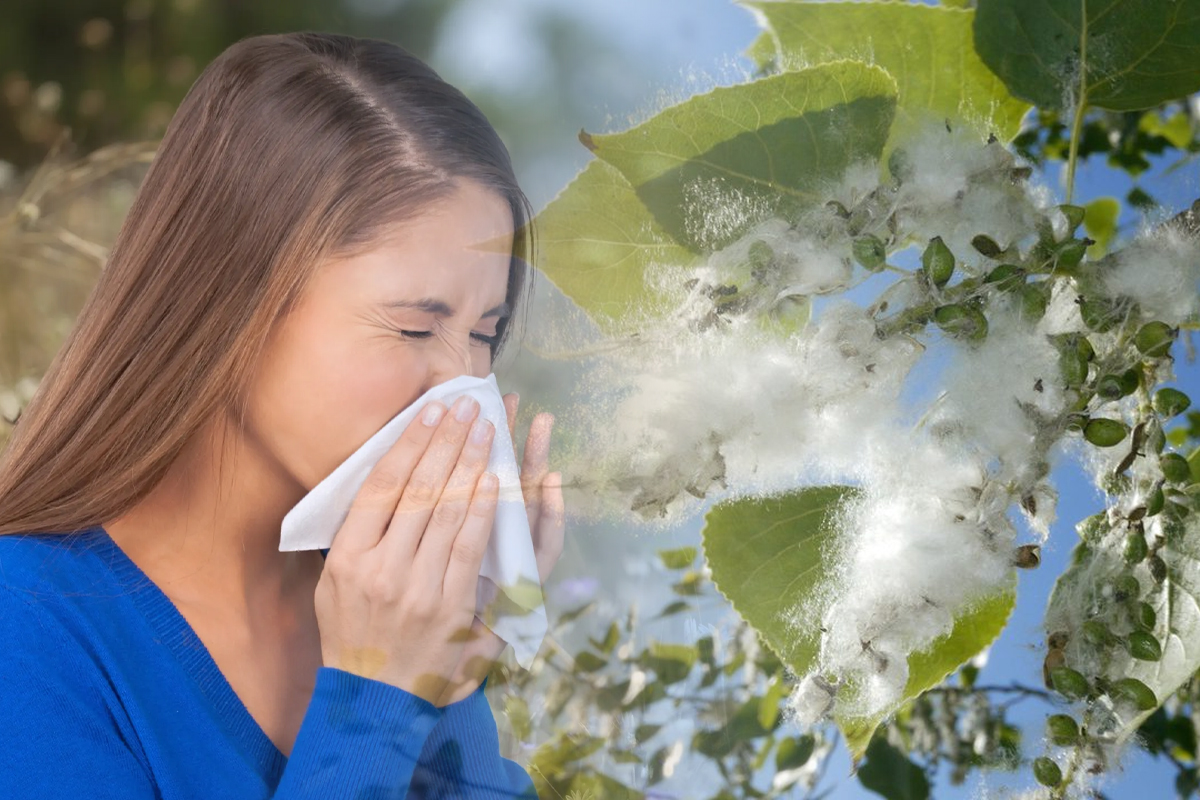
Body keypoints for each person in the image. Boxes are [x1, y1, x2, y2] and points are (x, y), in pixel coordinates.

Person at [0, 31, 565, 799]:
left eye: (484, 335)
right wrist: (377, 701)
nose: (461, 385)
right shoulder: (29, 633)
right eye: (411, 328)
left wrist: (449, 678)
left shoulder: (389, 612)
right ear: (233, 304)